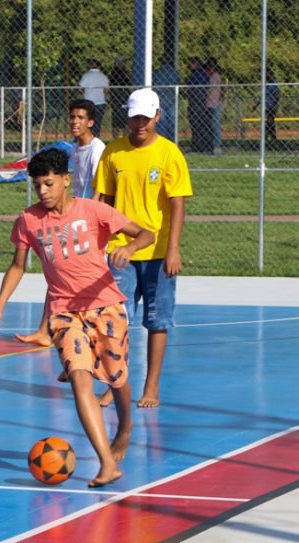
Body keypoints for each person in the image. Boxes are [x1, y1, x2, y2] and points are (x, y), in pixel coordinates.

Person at [0, 148, 155, 487]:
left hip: (105, 306)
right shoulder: (28, 221)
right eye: (37, 186)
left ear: (66, 180)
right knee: (79, 378)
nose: (43, 191)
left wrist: (129, 248)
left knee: (116, 379)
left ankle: (125, 426)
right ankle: (107, 463)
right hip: (63, 313)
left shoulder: (93, 211)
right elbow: (18, 266)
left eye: (49, 183)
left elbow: (146, 234)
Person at [94, 88, 193, 408]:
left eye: (146, 118)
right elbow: (103, 202)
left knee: (157, 321)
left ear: (157, 116)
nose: (140, 123)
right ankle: (116, 382)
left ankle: (151, 387)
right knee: (116, 321)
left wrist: (174, 249)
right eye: (135, 116)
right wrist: (98, 244)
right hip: (121, 249)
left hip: (159, 253)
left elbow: (177, 205)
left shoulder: (169, 154)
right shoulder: (113, 153)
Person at [16, 99, 105, 347]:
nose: (75, 122)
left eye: (80, 118)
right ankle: (46, 331)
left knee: (86, 282)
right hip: (71, 220)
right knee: (57, 275)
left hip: (85, 223)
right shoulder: (75, 150)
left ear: (91, 122)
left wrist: (89, 221)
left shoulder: (97, 150)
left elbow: (100, 189)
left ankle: (91, 337)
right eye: (72, 117)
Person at [152, 54, 180, 140]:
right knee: (172, 122)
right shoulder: (174, 72)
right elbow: (177, 83)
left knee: (161, 122)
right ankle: (172, 140)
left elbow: (155, 85)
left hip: (160, 98)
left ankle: (163, 140)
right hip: (172, 99)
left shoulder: (157, 72)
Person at [79, 59, 109, 138]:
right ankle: (96, 138)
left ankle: (87, 138)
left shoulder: (86, 75)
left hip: (88, 101)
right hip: (100, 102)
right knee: (97, 123)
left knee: (87, 122)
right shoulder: (103, 76)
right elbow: (106, 90)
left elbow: (80, 88)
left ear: (90, 65)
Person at [186, 57, 210, 152]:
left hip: (196, 101)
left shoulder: (197, 74)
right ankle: (200, 145)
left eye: (191, 64)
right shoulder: (203, 74)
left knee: (196, 124)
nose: (189, 66)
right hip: (199, 101)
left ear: (196, 64)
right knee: (199, 124)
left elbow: (191, 86)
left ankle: (198, 145)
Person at [109, 56, 132, 139]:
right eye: (119, 61)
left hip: (124, 97)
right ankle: (117, 140)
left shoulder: (125, 71)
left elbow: (128, 83)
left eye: (122, 61)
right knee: (116, 121)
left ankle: (126, 139)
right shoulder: (115, 71)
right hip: (117, 98)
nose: (121, 63)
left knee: (125, 120)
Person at [205, 59, 225, 154]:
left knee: (215, 125)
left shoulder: (215, 76)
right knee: (211, 126)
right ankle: (212, 145)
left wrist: (220, 97)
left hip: (215, 104)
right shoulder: (210, 77)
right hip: (210, 104)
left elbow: (221, 88)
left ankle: (217, 146)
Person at [264, 67, 280, 142]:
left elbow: (278, 95)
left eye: (267, 75)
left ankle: (269, 136)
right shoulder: (265, 84)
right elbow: (263, 95)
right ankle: (271, 137)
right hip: (266, 106)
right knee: (269, 122)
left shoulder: (275, 84)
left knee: (269, 121)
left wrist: (274, 104)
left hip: (272, 106)